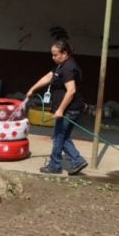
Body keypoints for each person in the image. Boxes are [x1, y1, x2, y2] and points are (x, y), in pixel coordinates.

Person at [26, 40, 89, 176]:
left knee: (59, 136)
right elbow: (48, 76)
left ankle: (58, 165)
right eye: (52, 55)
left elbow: (71, 91)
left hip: (69, 109)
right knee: (62, 136)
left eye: (55, 55)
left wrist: (60, 110)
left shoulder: (68, 68)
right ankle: (75, 161)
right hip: (68, 108)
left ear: (65, 53)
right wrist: (33, 88)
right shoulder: (61, 66)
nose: (53, 57)